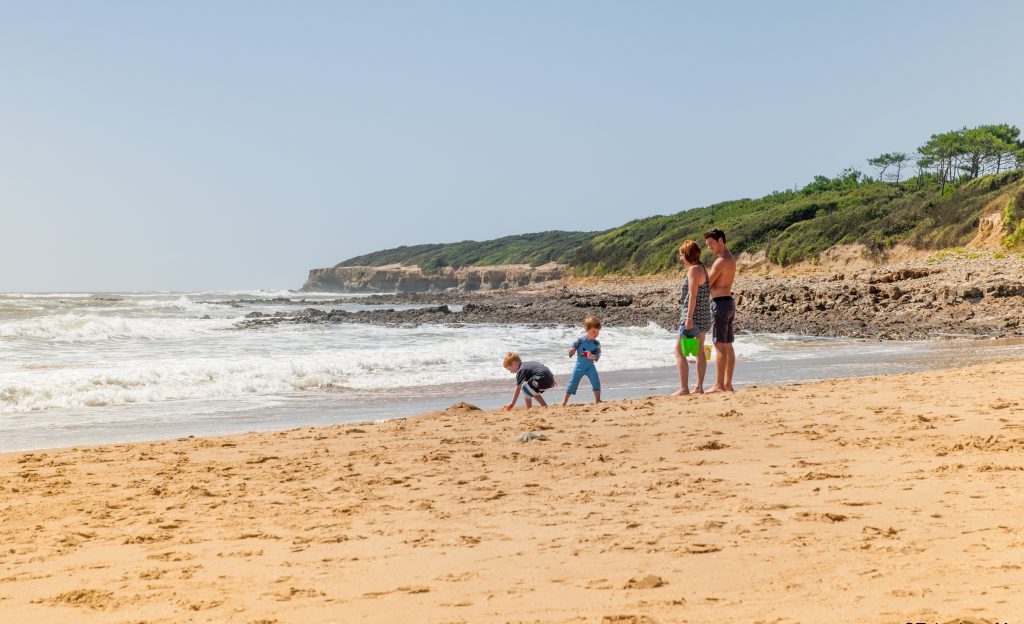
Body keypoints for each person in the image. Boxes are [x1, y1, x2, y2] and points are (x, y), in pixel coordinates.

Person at [673, 240, 710, 395]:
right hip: (703, 316)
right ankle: (699, 387)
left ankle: (684, 388)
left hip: (692, 317)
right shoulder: (702, 268)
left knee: (679, 351)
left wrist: (688, 318)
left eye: (682, 255)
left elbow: (693, 295)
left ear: (687, 255)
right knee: (699, 351)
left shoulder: (693, 270)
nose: (681, 258)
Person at [703, 227, 737, 393]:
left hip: (720, 304)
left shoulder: (721, 261)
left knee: (719, 344)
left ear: (721, 241)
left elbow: (707, 283)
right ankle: (727, 384)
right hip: (728, 303)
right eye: (707, 244)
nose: (709, 247)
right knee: (728, 345)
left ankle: (719, 385)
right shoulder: (730, 258)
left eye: (711, 243)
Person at [562, 316, 602, 405]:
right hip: (579, 366)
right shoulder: (579, 341)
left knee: (596, 382)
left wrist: (594, 357)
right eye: (594, 331)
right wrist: (571, 350)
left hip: (590, 367)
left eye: (598, 331)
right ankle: (564, 402)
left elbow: (598, 355)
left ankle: (598, 400)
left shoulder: (596, 343)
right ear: (586, 329)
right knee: (573, 383)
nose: (596, 334)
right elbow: (570, 353)